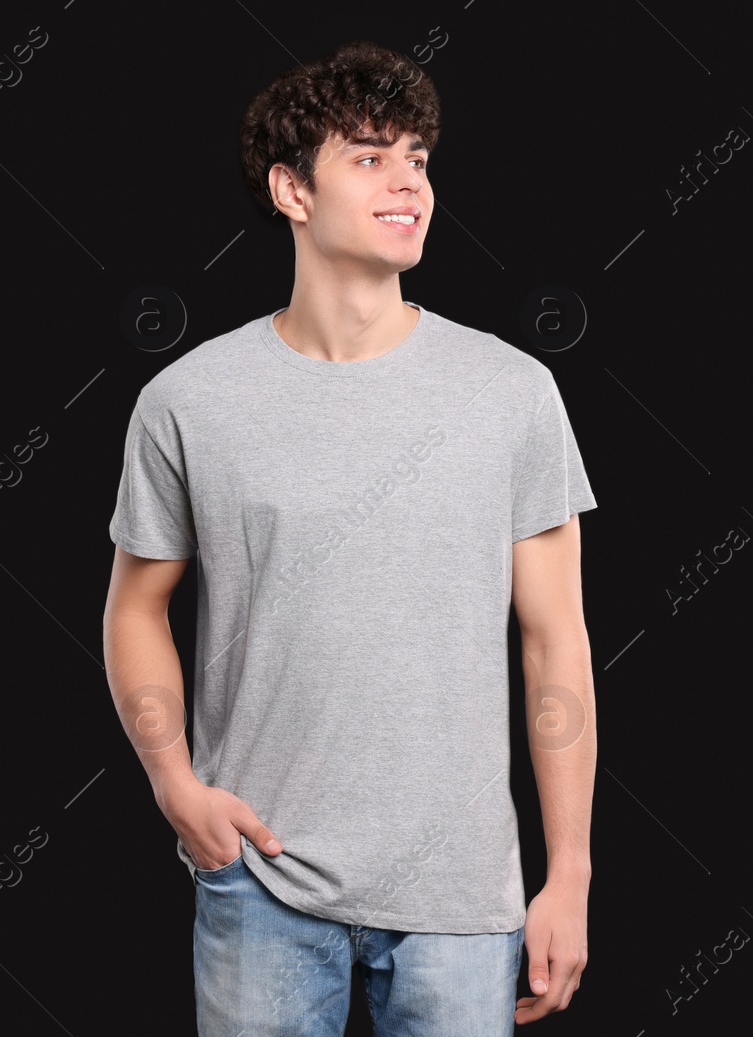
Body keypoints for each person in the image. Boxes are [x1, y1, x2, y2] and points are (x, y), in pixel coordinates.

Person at [103, 41, 595, 1035]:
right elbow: (133, 607)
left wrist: (569, 871)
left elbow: (555, 644)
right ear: (291, 189)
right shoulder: (188, 400)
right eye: (368, 156)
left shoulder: (509, 393)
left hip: (462, 899)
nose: (407, 179)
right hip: (261, 882)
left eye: (416, 156)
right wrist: (173, 785)